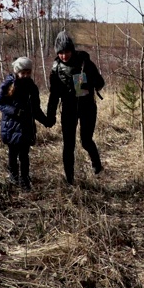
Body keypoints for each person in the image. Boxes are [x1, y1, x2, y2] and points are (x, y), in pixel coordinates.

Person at [46, 30, 105, 185]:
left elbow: (100, 83)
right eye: (61, 53)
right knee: (68, 145)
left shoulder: (85, 62)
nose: (64, 56)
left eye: (67, 52)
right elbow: (54, 95)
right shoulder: (56, 69)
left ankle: (97, 164)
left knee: (86, 141)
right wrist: (50, 116)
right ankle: (69, 180)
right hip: (68, 110)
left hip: (87, 108)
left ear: (71, 49)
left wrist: (88, 81)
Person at [0, 56, 51, 192]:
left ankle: (25, 180)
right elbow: (0, 103)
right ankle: (13, 177)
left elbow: (35, 109)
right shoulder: (8, 84)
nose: (25, 75)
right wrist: (15, 111)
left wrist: (46, 121)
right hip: (11, 126)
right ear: (16, 71)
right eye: (23, 72)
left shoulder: (32, 87)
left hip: (26, 126)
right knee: (12, 153)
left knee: (24, 154)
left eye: (28, 72)